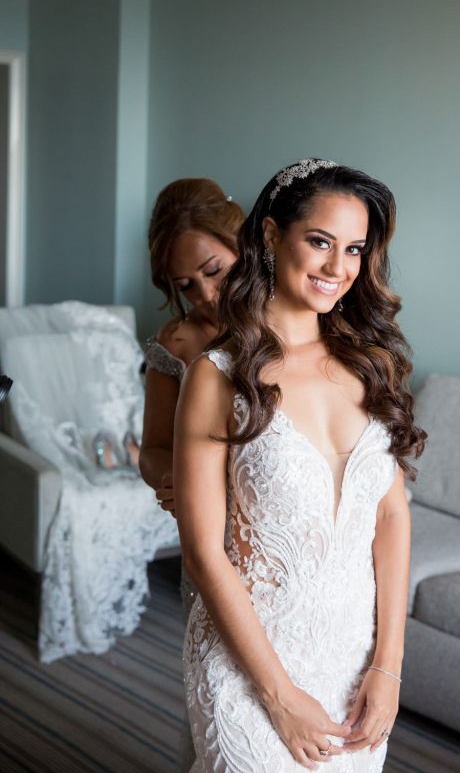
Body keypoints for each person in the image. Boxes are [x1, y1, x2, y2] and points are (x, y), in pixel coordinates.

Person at [174, 159, 425, 772]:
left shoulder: (373, 364)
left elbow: (390, 515)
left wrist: (388, 667)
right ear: (268, 236)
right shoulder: (218, 374)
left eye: (355, 249)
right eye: (319, 241)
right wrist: (279, 697)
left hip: (355, 662)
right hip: (249, 662)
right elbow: (204, 553)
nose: (338, 267)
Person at [140, 177, 245, 600]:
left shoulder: (294, 322)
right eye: (185, 285)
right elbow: (151, 450)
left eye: (213, 271)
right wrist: (178, 480)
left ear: (244, 246)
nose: (205, 294)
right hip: (213, 537)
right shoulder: (176, 345)